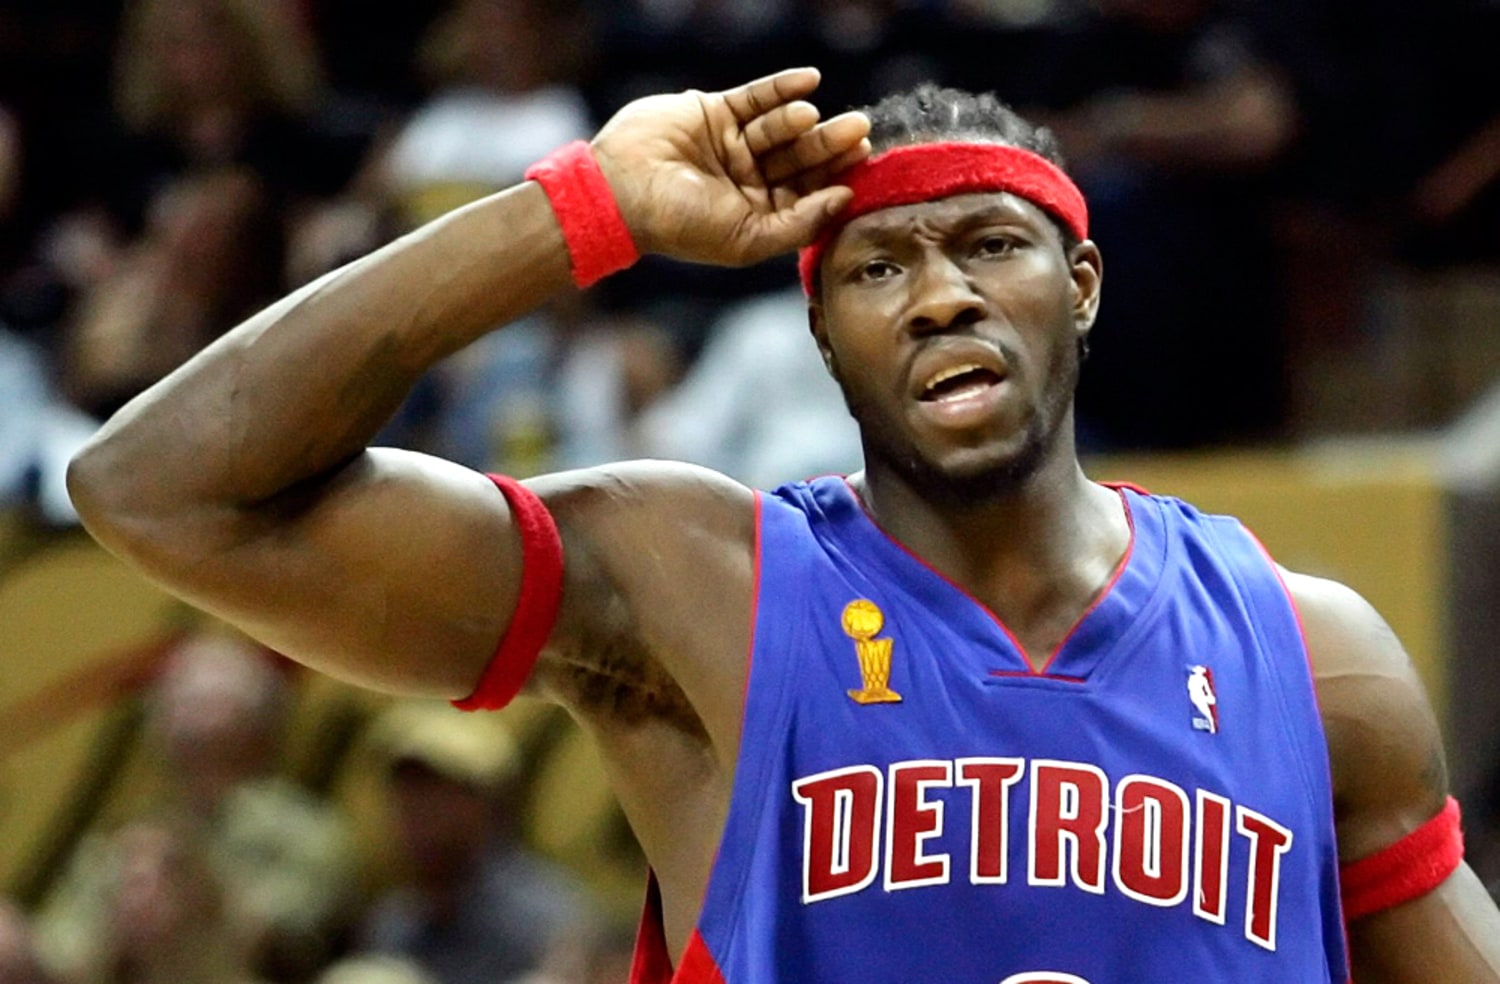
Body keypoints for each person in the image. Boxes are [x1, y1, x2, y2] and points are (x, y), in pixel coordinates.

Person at [65, 66, 1500, 982]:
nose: (940, 296)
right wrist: (584, 210)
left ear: (1083, 286)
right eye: (877, 269)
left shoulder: (1315, 659)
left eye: (991, 245)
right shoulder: (699, 585)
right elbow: (162, 490)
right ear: (822, 336)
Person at [350, 701, 597, 984]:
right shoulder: (393, 924)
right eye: (405, 789)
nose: (414, 810)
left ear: (490, 806)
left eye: (435, 791)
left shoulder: (546, 921)